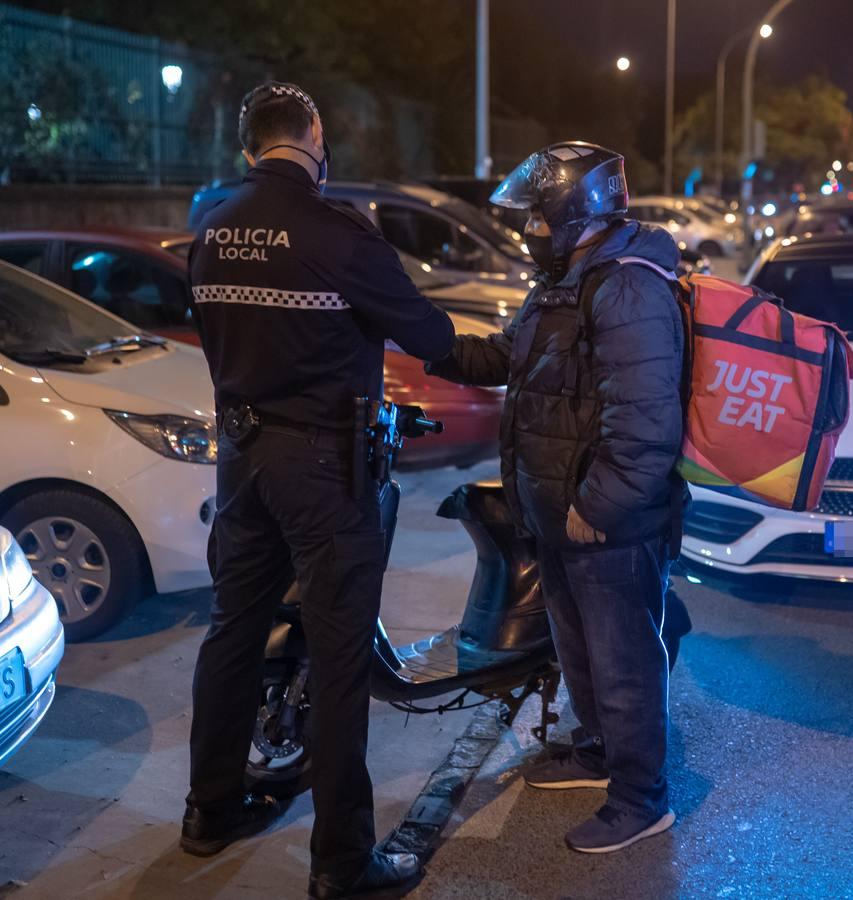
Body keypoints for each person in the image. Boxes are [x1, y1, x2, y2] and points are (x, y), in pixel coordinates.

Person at [183, 81, 455, 899]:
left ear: (247, 147)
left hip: (242, 457)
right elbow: (432, 336)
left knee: (232, 633)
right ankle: (342, 863)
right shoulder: (340, 233)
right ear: (314, 136)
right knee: (339, 661)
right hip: (323, 467)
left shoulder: (212, 229)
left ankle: (210, 810)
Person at [428, 141, 684, 853]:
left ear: (578, 213)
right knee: (582, 653)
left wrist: (598, 507)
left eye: (539, 218)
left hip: (609, 523)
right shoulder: (563, 279)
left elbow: (644, 421)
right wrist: (426, 336)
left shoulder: (628, 286)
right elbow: (509, 360)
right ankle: (600, 751)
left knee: (625, 660)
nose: (529, 231)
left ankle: (642, 798)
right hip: (559, 514)